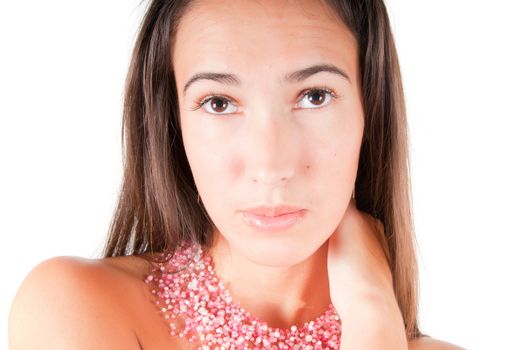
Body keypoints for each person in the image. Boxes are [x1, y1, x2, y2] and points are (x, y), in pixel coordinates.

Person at [8, 0, 465, 349]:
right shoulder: (78, 308)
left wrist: (373, 314)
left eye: (315, 96)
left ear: (370, 111)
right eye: (219, 103)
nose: (270, 166)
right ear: (173, 126)